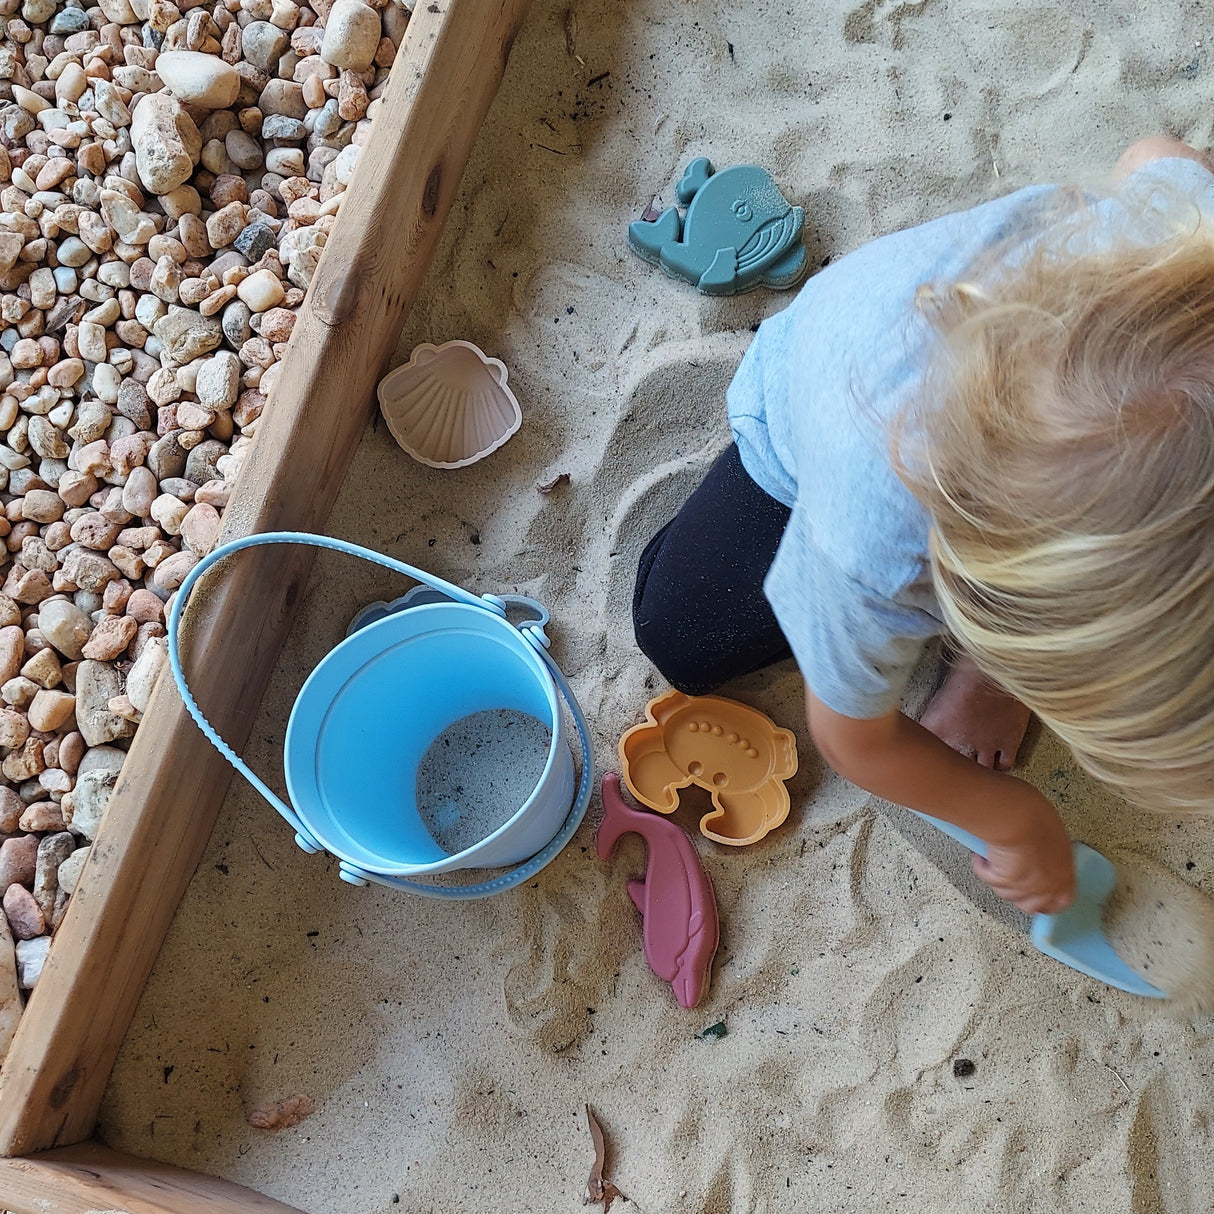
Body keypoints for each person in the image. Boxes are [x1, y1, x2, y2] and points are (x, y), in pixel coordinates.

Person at [631, 136, 1214, 915]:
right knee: (675, 635)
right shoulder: (876, 547)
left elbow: (1159, 156)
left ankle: (999, 665)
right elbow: (855, 740)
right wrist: (1012, 817)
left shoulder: (1185, 258)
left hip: (1029, 424)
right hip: (805, 425)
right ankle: (1002, 660)